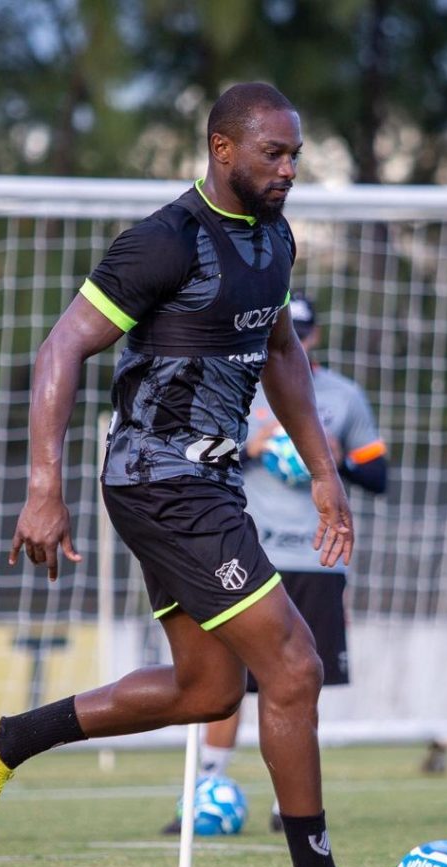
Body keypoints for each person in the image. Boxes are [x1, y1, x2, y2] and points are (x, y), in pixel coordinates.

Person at [0, 83, 405, 867]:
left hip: (206, 483)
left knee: (207, 689)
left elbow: (281, 355)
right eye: (274, 153)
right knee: (295, 668)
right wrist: (42, 487)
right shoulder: (165, 241)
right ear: (221, 149)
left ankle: (2, 739)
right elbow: (61, 349)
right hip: (162, 482)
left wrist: (324, 471)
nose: (289, 169)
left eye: (296, 154)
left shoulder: (275, 239)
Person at [162, 292, 388, 834]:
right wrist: (254, 446)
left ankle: (288, 804)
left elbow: (378, 475)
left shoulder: (343, 396)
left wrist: (335, 458)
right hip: (248, 550)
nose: (298, 341)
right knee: (228, 678)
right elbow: (193, 454)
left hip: (315, 558)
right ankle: (205, 788)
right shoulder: (237, 385)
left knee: (297, 681)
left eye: (304, 332)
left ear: (314, 336)